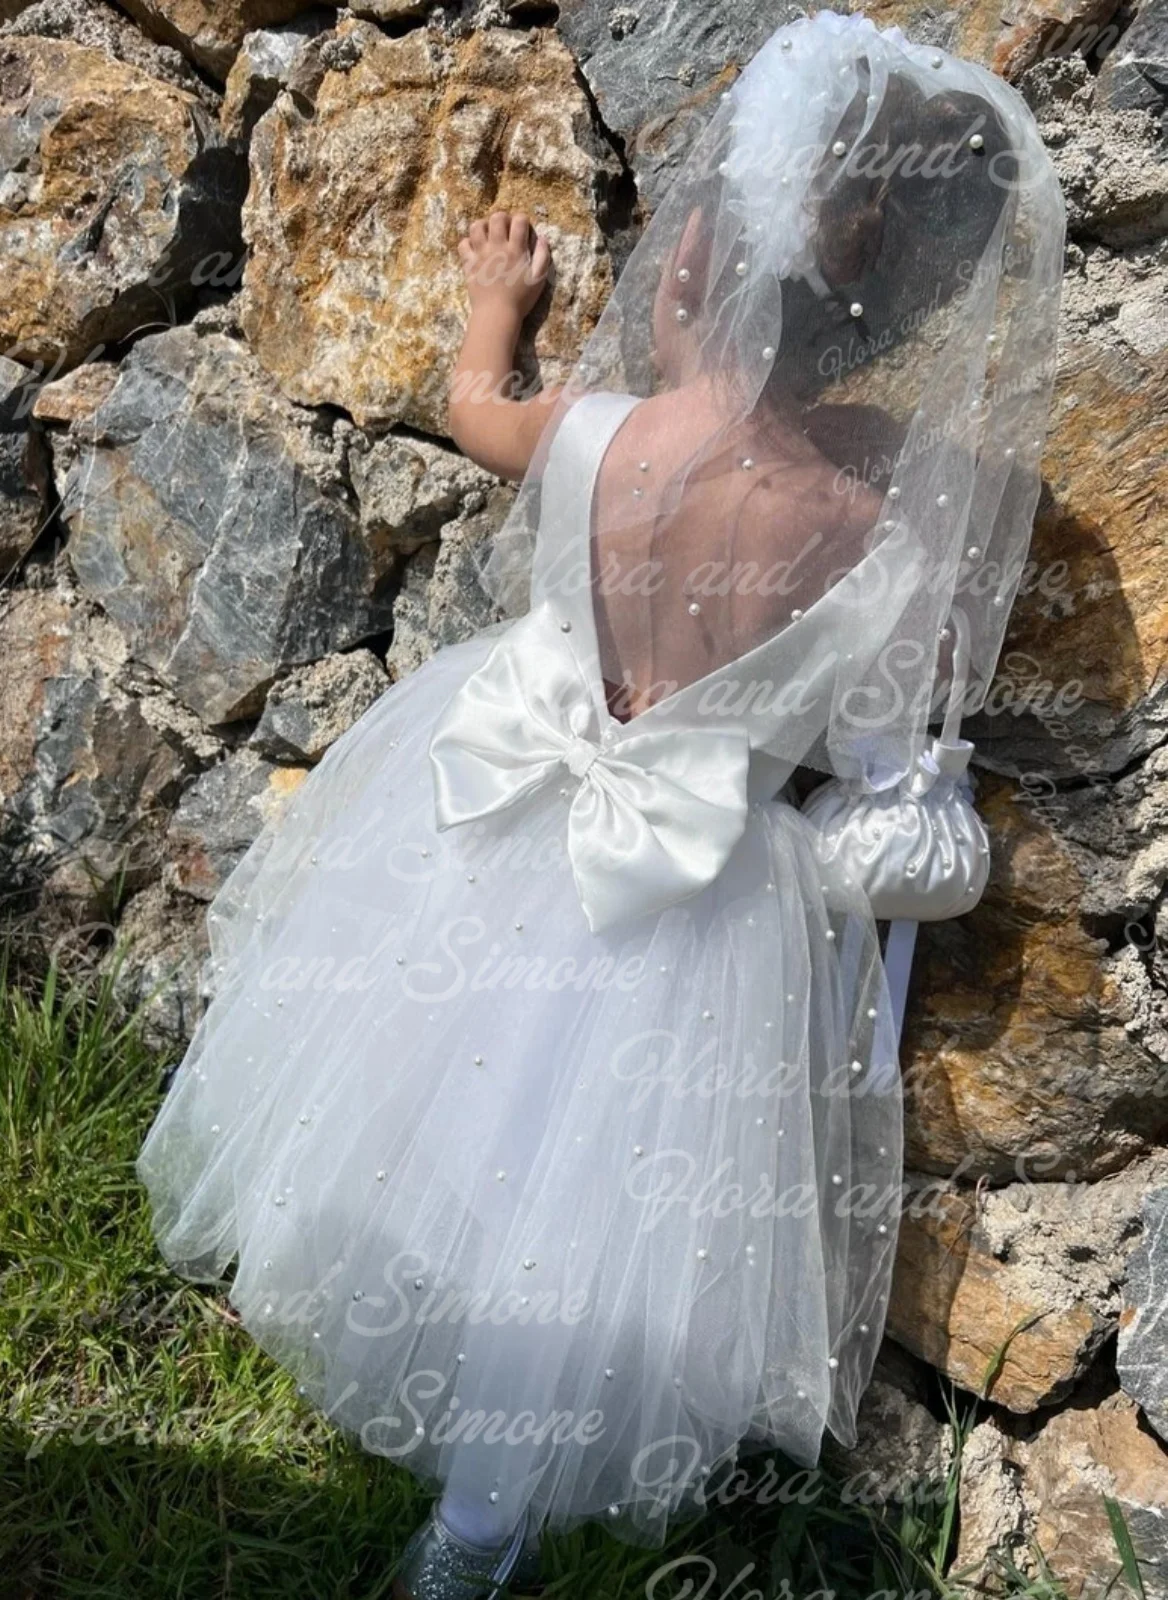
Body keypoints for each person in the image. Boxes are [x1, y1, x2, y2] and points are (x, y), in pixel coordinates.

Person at [136, 11, 1065, 1598]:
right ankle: (479, 1528)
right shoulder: (875, 532)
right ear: (886, 324)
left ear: (699, 267)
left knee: (432, 1102)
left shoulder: (594, 434)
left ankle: (369, 1314)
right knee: (596, 1217)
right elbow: (883, 786)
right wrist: (913, 830)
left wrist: (500, 304)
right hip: (691, 901)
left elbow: (476, 404)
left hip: (503, 817)